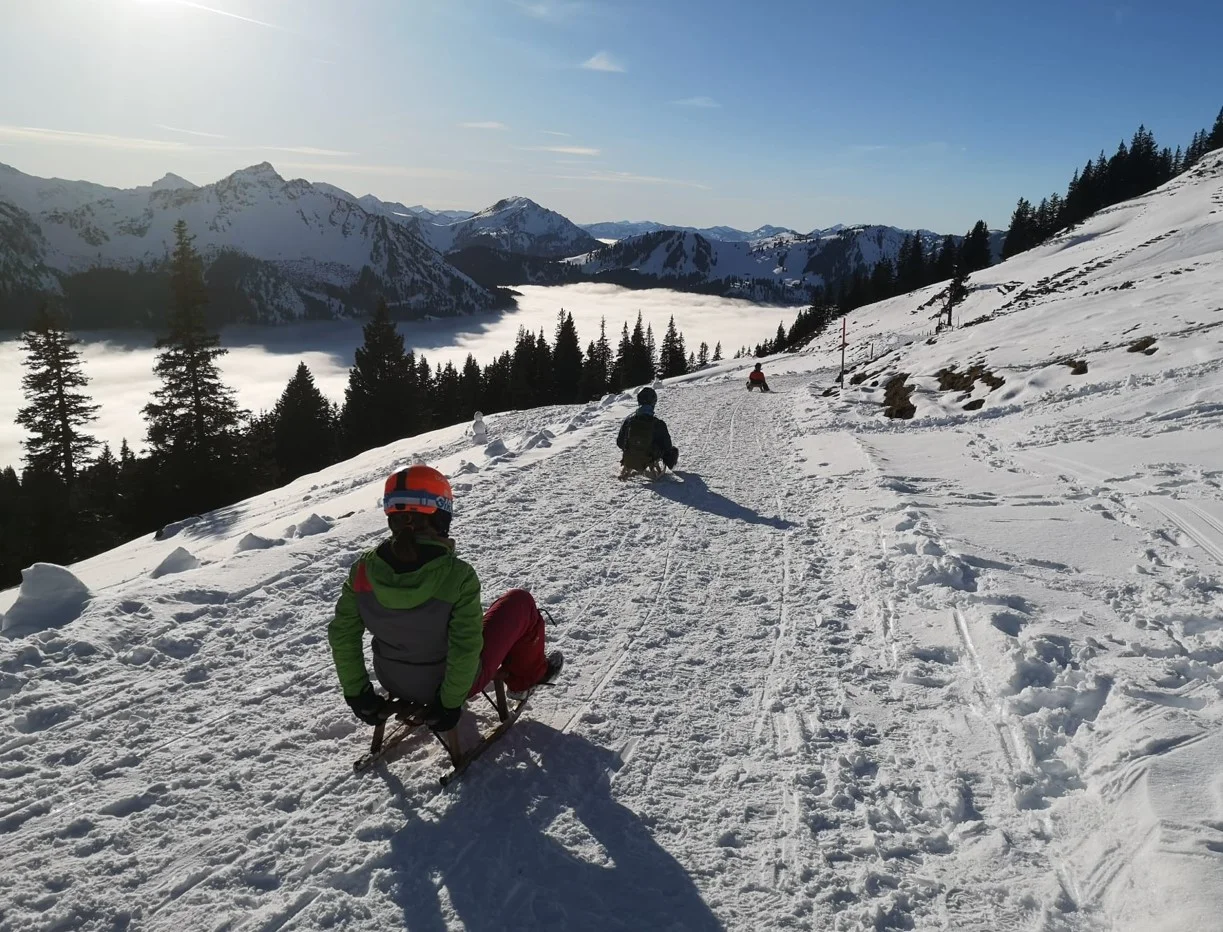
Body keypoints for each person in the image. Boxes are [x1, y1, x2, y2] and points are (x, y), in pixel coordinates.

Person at [328, 465, 563, 736]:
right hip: (446, 687)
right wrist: (448, 704)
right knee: (520, 602)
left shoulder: (363, 570)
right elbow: (464, 648)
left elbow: (343, 635)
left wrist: (357, 693)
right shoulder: (458, 575)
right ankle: (526, 679)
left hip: (392, 679)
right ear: (440, 515)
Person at [616, 387, 679, 477]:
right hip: (649, 458)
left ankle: (632, 461)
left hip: (629, 457)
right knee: (673, 450)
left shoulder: (629, 421)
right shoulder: (658, 424)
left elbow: (620, 442)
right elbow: (667, 446)